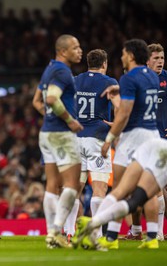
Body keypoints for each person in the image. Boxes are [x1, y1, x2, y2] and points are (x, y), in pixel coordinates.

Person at [97, 39, 160, 249]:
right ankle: (152, 238)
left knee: (120, 187)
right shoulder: (151, 75)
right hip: (153, 134)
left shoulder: (128, 77)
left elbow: (124, 113)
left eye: (124, 53)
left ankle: (112, 238)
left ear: (131, 55)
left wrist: (108, 140)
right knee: (147, 189)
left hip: (134, 135)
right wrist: (119, 88)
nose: (122, 57)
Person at [73, 138, 167, 250]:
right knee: (142, 194)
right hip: (153, 145)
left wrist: (112, 134)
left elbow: (123, 120)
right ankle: (151, 236)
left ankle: (96, 226)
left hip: (148, 144)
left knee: (130, 193)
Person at [36, 34, 83, 248]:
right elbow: (52, 99)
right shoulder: (63, 71)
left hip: (46, 133)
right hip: (61, 134)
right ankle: (56, 232)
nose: (79, 50)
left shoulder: (49, 69)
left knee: (51, 185)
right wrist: (69, 121)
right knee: (72, 185)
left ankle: (50, 235)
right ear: (63, 51)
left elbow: (37, 101)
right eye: (75, 47)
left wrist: (49, 117)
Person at [68, 49, 119, 238]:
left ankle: (69, 232)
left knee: (74, 189)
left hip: (76, 140)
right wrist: (116, 124)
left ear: (88, 63)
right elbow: (120, 108)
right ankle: (96, 234)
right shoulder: (110, 82)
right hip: (97, 139)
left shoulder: (75, 80)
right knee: (99, 188)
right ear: (104, 64)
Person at [145, 43, 167, 241]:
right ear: (147, 60)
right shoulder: (141, 81)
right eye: (156, 58)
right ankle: (163, 230)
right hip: (150, 142)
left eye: (162, 58)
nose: (160, 62)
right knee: (158, 186)